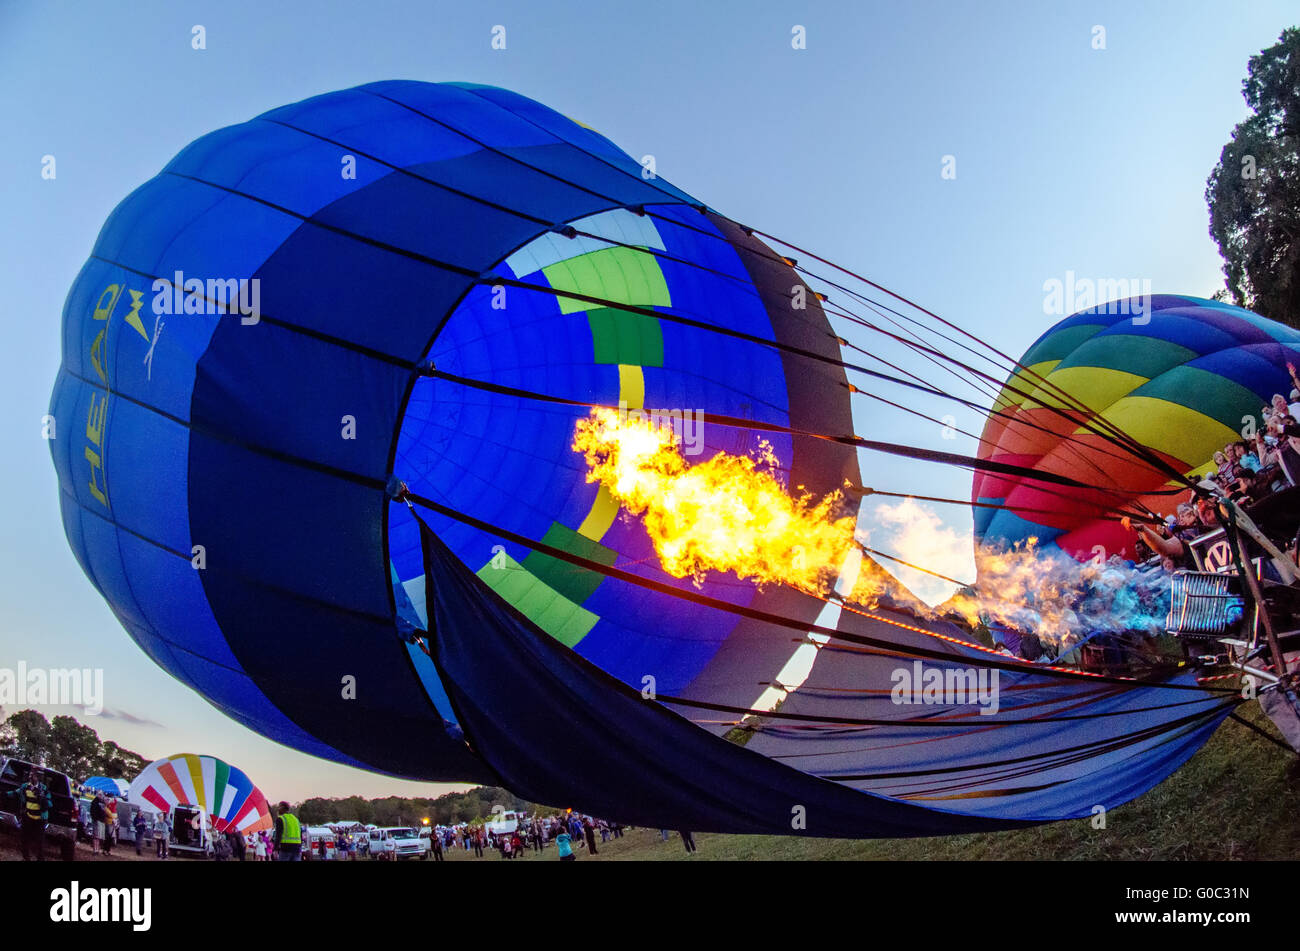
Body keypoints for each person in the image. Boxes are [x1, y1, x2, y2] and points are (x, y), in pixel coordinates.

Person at [13, 767, 53, 861]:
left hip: (40, 819)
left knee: (39, 842)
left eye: (33, 775)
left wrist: (41, 797)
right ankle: (26, 858)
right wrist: (4, 794)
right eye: (30, 775)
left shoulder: (43, 788)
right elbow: (16, 793)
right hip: (28, 816)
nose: (30, 777)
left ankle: (40, 858)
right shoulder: (25, 786)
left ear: (38, 777)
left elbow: (50, 804)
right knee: (24, 839)